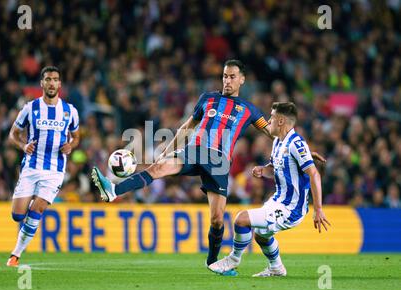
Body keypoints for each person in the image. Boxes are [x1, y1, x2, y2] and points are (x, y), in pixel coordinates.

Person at [91, 60, 325, 266]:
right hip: (194, 150)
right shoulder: (208, 98)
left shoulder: (249, 110)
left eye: (232, 76)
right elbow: (187, 127)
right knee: (158, 168)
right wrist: (168, 150)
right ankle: (113, 190)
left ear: (242, 80)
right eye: (224, 76)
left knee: (216, 219)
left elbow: (276, 134)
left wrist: (302, 152)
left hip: (219, 162)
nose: (227, 80)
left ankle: (212, 261)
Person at [208, 102, 330, 277]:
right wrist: (263, 170)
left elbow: (314, 174)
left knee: (241, 219)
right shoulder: (278, 143)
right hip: (277, 200)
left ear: (280, 121)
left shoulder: (296, 143)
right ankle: (276, 268)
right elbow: (277, 169)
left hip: (291, 208)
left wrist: (318, 209)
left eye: (271, 117)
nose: (268, 120)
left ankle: (233, 260)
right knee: (261, 236)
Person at [6, 66, 80, 267]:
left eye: (55, 79)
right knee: (17, 216)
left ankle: (16, 254)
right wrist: (23, 145)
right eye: (48, 79)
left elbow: (76, 137)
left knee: (37, 209)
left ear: (60, 84)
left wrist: (70, 146)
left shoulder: (70, 111)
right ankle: (28, 212)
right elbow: (13, 134)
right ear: (42, 83)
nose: (51, 83)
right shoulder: (30, 108)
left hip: (55, 170)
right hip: (31, 167)